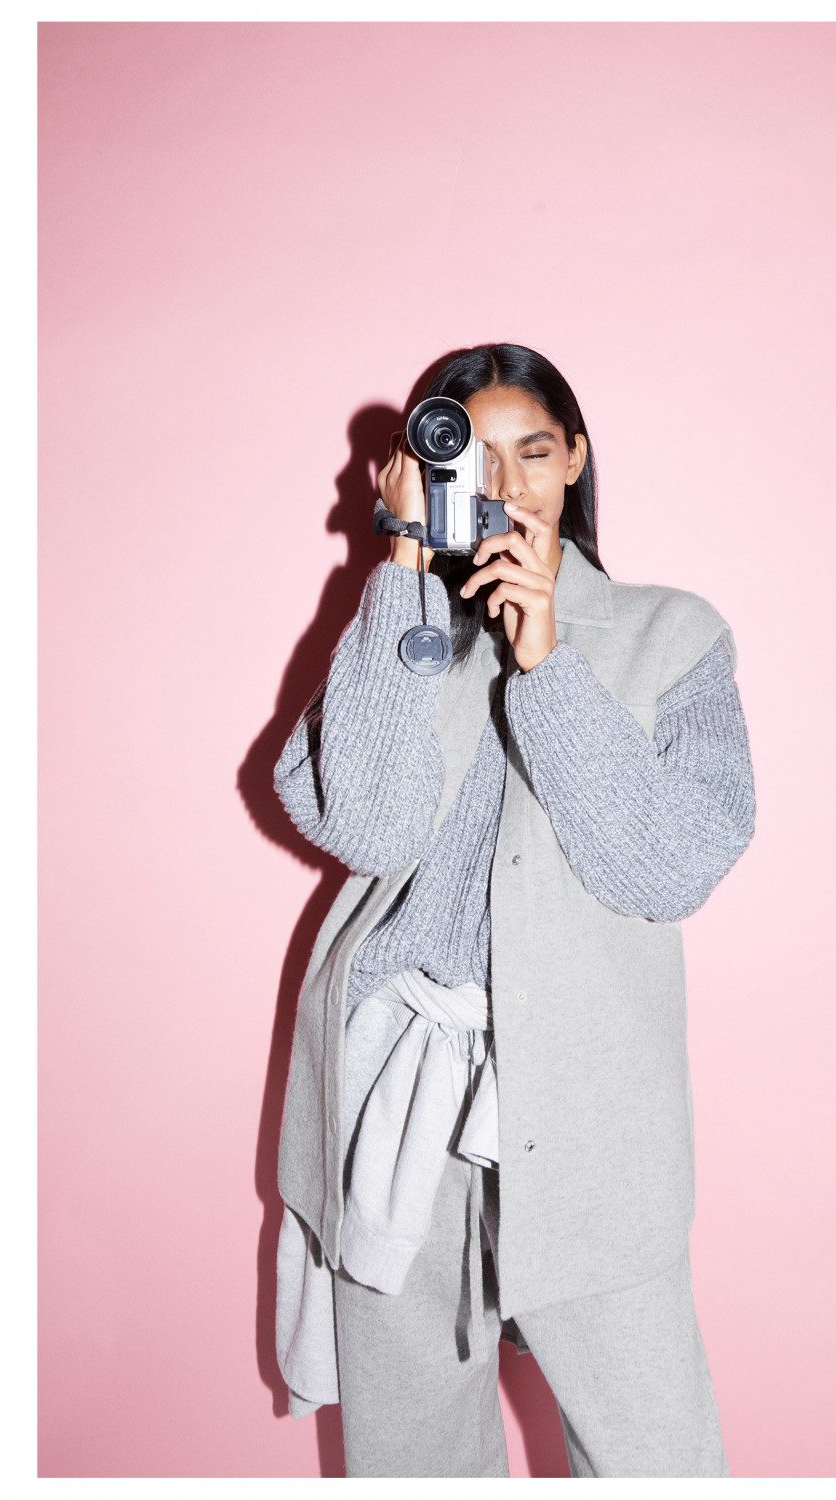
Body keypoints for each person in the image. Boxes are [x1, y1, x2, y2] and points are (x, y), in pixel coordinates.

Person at [271, 343, 755, 1477]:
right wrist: (401, 563)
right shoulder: (401, 636)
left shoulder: (671, 634)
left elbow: (667, 866)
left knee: (652, 1451)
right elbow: (368, 827)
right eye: (474, 461)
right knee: (415, 1456)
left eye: (533, 453)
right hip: (394, 1097)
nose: (508, 486)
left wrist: (548, 661)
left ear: (576, 458)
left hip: (589, 1107)